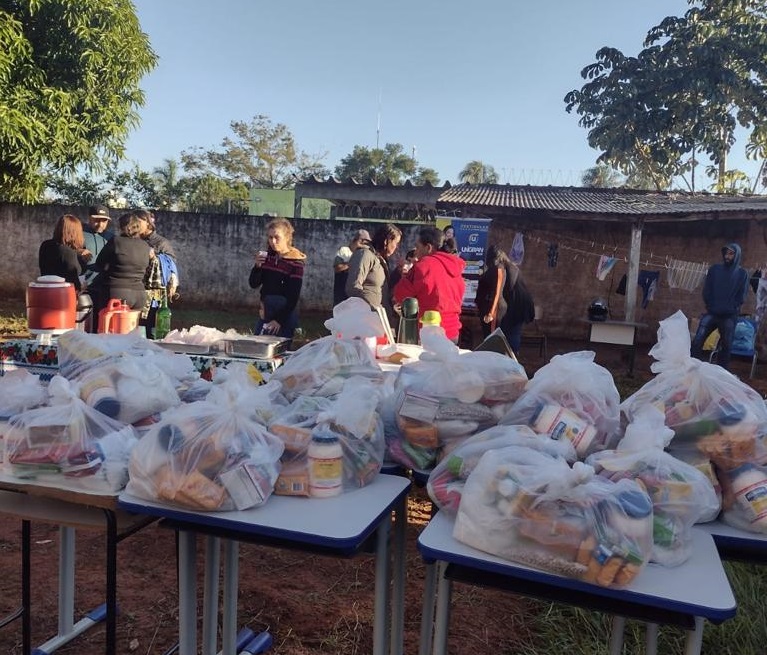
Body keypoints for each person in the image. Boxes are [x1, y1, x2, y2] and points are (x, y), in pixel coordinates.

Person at [393, 225, 466, 343]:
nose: (415, 252)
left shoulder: (423, 265)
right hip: (453, 333)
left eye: (417, 247)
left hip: (429, 333)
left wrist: (405, 276)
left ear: (428, 248)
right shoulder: (456, 268)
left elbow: (400, 295)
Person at [691, 242, 749, 370]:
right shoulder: (715, 269)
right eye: (726, 253)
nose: (727, 256)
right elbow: (707, 289)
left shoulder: (742, 274)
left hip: (729, 316)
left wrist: (732, 308)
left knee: (726, 346)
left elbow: (742, 296)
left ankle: (721, 373)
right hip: (712, 312)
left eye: (731, 254)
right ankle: (691, 369)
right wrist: (710, 305)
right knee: (697, 341)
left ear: (737, 255)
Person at [249, 217, 306, 340]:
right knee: (258, 344)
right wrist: (257, 267)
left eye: (277, 237)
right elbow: (253, 283)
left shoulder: (295, 263)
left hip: (284, 316)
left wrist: (279, 320)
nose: (273, 241)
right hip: (266, 313)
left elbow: (293, 296)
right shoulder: (267, 257)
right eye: (270, 238)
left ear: (287, 238)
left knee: (280, 349)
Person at [345, 222, 402, 329]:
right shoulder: (365, 255)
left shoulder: (379, 259)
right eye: (396, 243)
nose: (396, 247)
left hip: (380, 321)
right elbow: (352, 287)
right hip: (366, 322)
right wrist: (372, 308)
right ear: (387, 241)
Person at [94, 211, 152, 312]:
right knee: (133, 322)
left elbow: (99, 263)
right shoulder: (145, 246)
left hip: (116, 292)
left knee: (109, 321)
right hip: (139, 294)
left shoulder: (116, 241)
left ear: (121, 227)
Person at [136, 209, 179, 337]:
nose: (135, 226)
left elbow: (171, 264)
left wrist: (155, 257)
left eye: (138, 222)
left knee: (152, 327)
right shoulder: (133, 240)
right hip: (136, 289)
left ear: (148, 223)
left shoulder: (161, 242)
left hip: (154, 293)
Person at [38, 214, 90, 291]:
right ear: (75, 232)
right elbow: (73, 280)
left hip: (45, 290)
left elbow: (57, 260)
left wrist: (76, 252)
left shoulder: (45, 245)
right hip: (63, 293)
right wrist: (82, 287)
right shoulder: (68, 253)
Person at [475, 244, 509, 340]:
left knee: (491, 338)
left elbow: (497, 292)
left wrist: (491, 312)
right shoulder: (492, 269)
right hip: (487, 306)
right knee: (488, 336)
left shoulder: (498, 269)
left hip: (493, 308)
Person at [332, 228, 371, 306]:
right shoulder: (344, 251)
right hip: (341, 292)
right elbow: (337, 268)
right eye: (364, 243)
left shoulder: (363, 254)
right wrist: (352, 264)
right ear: (359, 241)